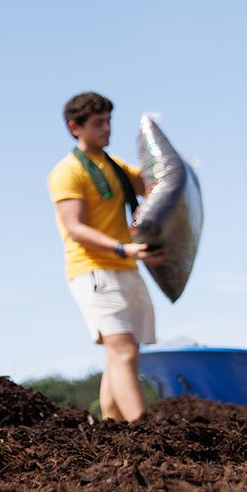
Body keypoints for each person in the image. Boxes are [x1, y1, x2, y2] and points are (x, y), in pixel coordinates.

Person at [48, 91, 164, 422]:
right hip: (94, 271)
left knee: (122, 357)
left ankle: (109, 428)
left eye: (109, 121)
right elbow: (75, 227)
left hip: (126, 268)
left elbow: (149, 185)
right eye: (98, 123)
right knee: (123, 351)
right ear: (75, 127)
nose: (107, 129)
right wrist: (120, 247)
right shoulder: (68, 171)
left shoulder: (114, 167)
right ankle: (143, 431)